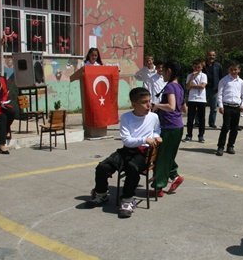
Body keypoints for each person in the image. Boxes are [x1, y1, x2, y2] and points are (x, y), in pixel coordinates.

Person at [88, 87, 162, 218]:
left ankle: (127, 200)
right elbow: (127, 141)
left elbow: (156, 129)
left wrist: (156, 136)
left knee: (132, 168)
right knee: (102, 167)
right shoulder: (126, 117)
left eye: (149, 101)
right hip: (127, 150)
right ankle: (101, 194)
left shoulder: (154, 117)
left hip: (143, 153)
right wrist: (144, 139)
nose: (149, 105)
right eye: (144, 102)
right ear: (134, 104)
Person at [152, 60, 186, 196]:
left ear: (169, 71)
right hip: (177, 126)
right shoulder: (180, 87)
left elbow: (171, 106)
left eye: (164, 71)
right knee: (167, 154)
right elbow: (184, 108)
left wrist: (156, 105)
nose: (162, 74)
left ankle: (158, 187)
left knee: (161, 157)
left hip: (169, 127)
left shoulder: (170, 87)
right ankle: (175, 176)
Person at [216, 61, 243, 156]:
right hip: (227, 106)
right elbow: (220, 94)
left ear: (239, 70)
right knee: (225, 127)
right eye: (231, 70)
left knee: (234, 128)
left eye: (235, 69)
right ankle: (220, 147)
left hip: (236, 107)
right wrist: (221, 106)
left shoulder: (241, 82)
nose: (233, 71)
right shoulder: (224, 80)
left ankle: (230, 146)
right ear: (228, 70)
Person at [184, 58, 207, 143]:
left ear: (201, 67)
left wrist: (192, 86)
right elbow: (187, 87)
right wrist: (192, 78)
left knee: (201, 118)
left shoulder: (204, 75)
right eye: (195, 67)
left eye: (198, 67)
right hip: (192, 99)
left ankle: (201, 135)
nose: (196, 69)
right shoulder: (190, 75)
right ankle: (189, 135)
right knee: (190, 118)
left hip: (201, 99)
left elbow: (202, 86)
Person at [203, 50, 224, 128]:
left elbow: (221, 78)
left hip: (214, 89)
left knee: (214, 108)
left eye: (213, 55)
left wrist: (220, 88)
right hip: (203, 89)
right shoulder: (203, 65)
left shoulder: (218, 65)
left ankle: (212, 123)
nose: (211, 57)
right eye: (210, 55)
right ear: (207, 56)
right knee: (201, 106)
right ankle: (198, 122)